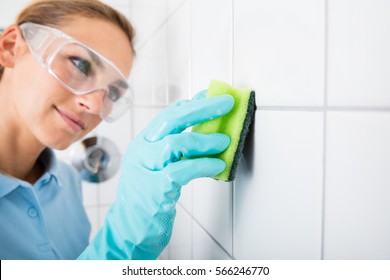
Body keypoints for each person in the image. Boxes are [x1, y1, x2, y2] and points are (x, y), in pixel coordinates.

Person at [0, 0, 234, 259]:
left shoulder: (67, 182)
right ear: (11, 47)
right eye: (79, 64)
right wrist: (126, 234)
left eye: (112, 92)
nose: (94, 105)